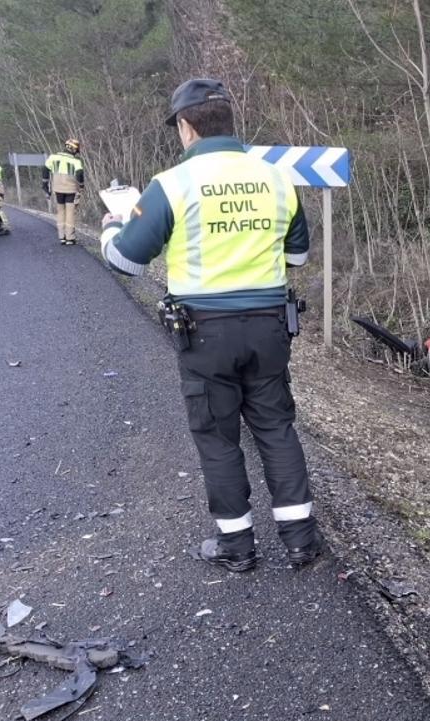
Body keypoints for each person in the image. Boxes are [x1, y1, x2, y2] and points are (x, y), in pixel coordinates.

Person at [99, 78, 322, 573]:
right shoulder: (277, 180)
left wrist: (113, 223)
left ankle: (238, 549)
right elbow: (299, 255)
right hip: (268, 328)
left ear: (186, 126)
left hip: (204, 333)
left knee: (218, 437)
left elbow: (126, 262)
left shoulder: (171, 185)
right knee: (276, 428)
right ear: (229, 121)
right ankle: (301, 541)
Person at [43, 138, 84, 245]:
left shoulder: (53, 157)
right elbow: (79, 173)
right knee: (70, 212)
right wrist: (81, 185)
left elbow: (45, 169)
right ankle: (70, 238)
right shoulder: (75, 161)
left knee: (60, 211)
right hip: (71, 189)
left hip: (58, 189)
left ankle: (62, 237)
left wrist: (45, 185)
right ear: (74, 149)